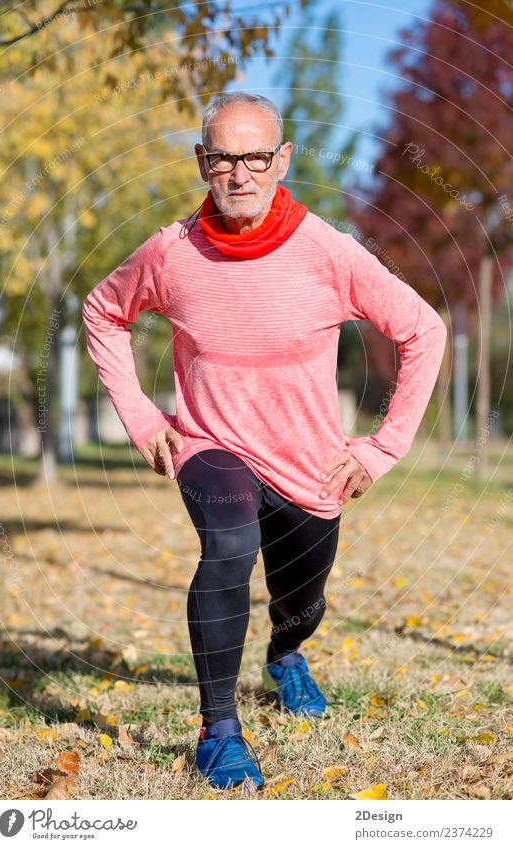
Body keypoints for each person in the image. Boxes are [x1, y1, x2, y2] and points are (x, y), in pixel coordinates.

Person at [82, 91, 447, 792]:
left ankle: (287, 655)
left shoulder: (328, 251)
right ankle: (218, 729)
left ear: (282, 161)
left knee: (299, 598)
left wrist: (380, 447)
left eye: (256, 156)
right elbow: (103, 310)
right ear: (202, 163)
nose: (239, 173)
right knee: (227, 545)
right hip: (211, 447)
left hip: (310, 467)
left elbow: (423, 330)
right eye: (222, 157)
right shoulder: (170, 251)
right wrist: (143, 419)